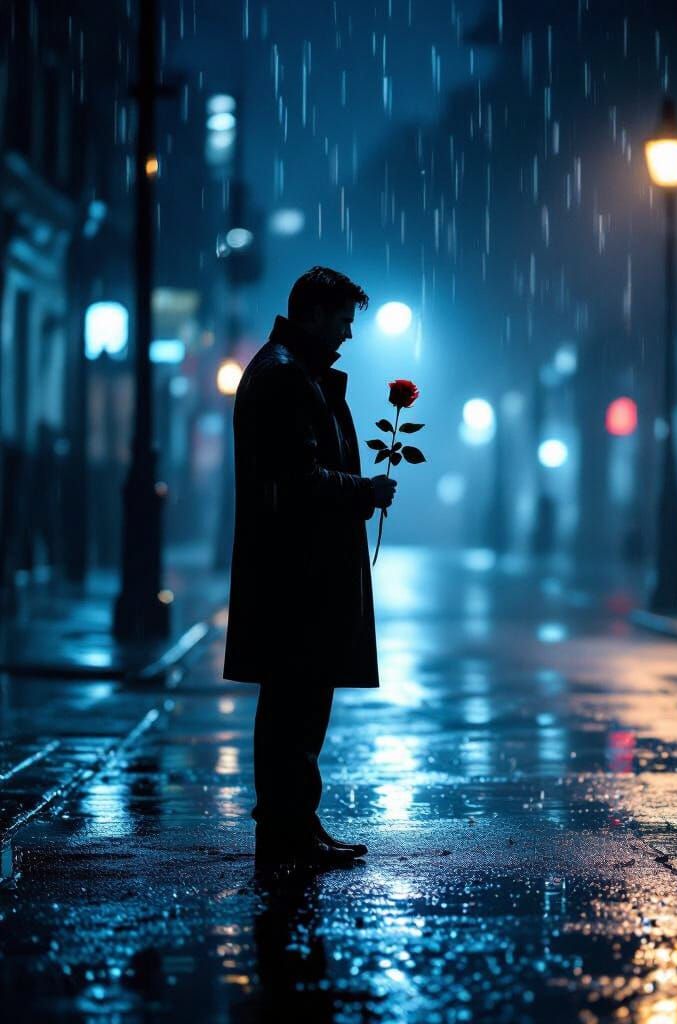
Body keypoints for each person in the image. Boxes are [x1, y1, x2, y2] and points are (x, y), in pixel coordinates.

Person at [223, 266, 397, 869]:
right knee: (295, 705)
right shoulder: (285, 378)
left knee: (296, 705)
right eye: (343, 321)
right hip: (298, 573)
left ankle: (294, 821)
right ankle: (287, 828)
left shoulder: (290, 373)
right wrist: (364, 490)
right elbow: (298, 481)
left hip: (298, 570)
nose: (348, 335)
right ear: (314, 315)